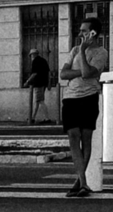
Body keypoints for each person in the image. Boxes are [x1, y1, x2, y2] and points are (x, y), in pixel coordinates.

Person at [60, 17, 108, 198]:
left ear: (93, 32)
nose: (80, 33)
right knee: (73, 136)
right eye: (80, 30)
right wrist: (79, 59)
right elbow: (63, 74)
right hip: (71, 98)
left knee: (85, 138)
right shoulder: (73, 50)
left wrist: (82, 51)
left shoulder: (101, 52)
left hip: (88, 97)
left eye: (84, 30)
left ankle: (80, 182)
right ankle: (82, 181)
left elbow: (89, 73)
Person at [23, 49, 51, 124]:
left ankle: (47, 118)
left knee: (40, 101)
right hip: (44, 83)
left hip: (38, 83)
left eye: (31, 55)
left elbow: (34, 74)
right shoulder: (44, 60)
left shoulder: (35, 62)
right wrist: (49, 83)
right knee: (37, 101)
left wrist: (27, 82)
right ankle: (32, 117)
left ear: (33, 55)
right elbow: (48, 73)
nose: (31, 56)